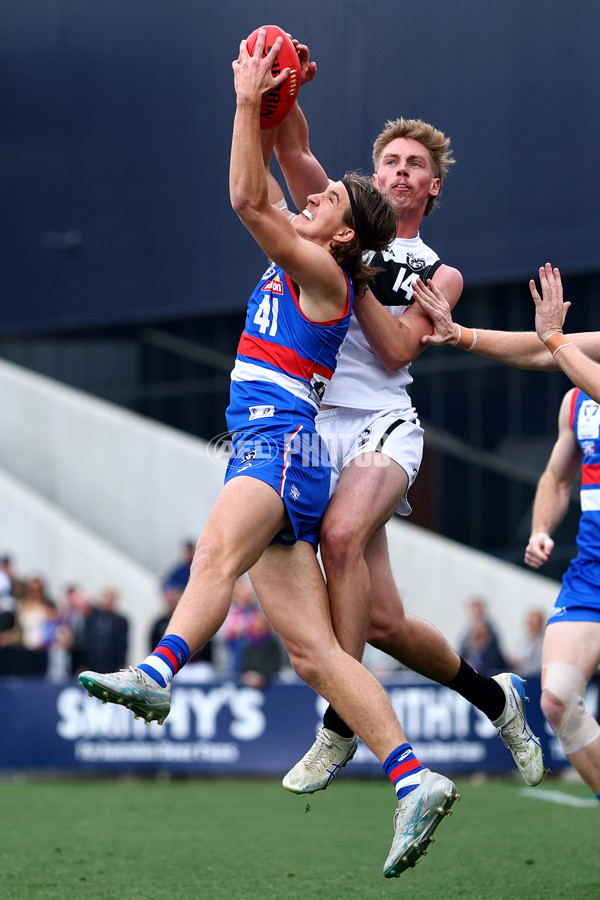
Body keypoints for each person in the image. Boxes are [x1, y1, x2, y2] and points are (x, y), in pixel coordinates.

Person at [77, 30, 454, 879]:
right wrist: (284, 99)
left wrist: (248, 101)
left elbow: (248, 200)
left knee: (214, 551)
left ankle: (158, 671)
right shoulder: (314, 251)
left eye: (326, 203)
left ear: (343, 237)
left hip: (281, 444)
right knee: (315, 656)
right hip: (285, 448)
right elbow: (283, 169)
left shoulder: (322, 272)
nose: (310, 200)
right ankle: (413, 777)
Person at [271, 41, 544, 794]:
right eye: (389, 160)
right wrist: (283, 87)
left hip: (382, 424)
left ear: (432, 186)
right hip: (315, 427)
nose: (399, 171)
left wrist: (354, 273)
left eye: (414, 165)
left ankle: (339, 723)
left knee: (340, 538)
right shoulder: (339, 211)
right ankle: (497, 698)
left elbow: (395, 353)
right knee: (385, 623)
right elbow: (289, 148)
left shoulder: (437, 272)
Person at [413, 265, 600, 799]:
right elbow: (540, 351)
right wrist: (459, 334)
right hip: (592, 570)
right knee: (557, 699)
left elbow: (554, 347)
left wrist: (556, 339)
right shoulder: (577, 399)